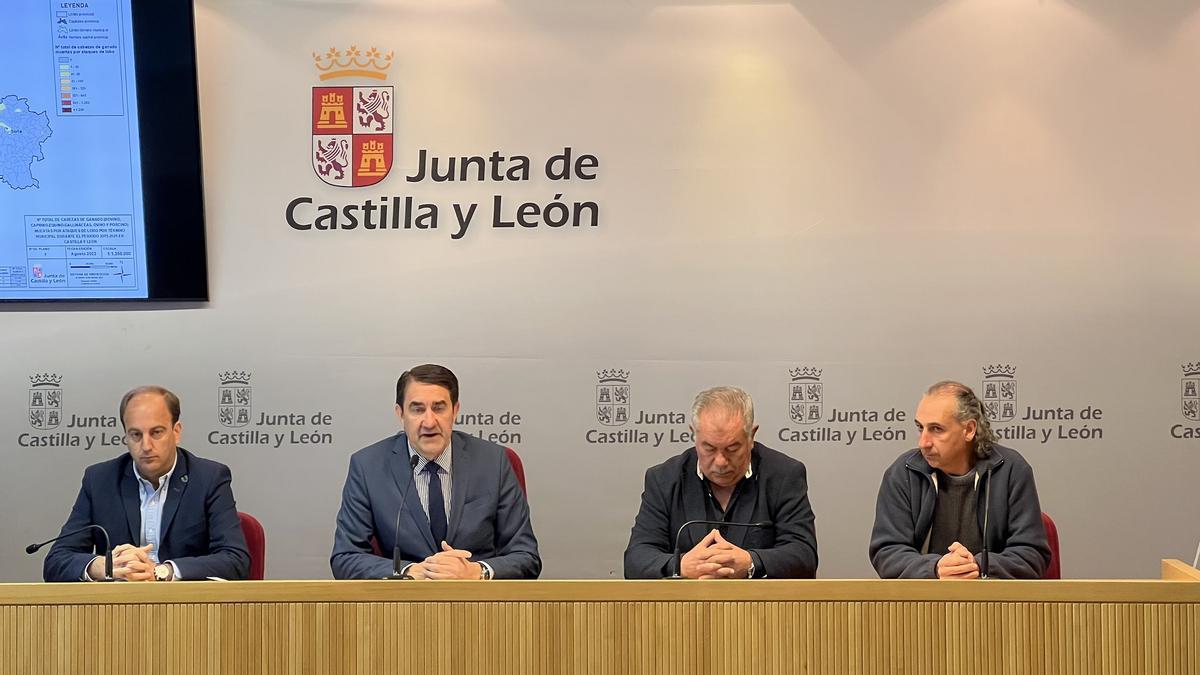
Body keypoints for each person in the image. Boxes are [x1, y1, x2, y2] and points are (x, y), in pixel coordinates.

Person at [331, 364, 540, 579]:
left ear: (455, 410)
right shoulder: (368, 466)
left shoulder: (494, 462)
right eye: (417, 409)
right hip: (401, 607)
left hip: (478, 606)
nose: (429, 422)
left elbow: (526, 557)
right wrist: (408, 571)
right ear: (400, 414)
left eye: (439, 408)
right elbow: (345, 557)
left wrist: (475, 571)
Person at [43, 386, 250, 582]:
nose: (146, 446)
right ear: (126, 436)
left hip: (188, 608)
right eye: (136, 435)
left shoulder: (209, 478)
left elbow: (235, 559)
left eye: (156, 432)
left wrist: (161, 572)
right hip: (118, 608)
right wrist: (106, 567)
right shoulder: (99, 480)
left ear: (176, 432)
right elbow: (56, 561)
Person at [624, 386, 818, 579]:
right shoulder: (665, 479)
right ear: (694, 434)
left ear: (752, 436)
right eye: (708, 448)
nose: (721, 462)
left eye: (732, 448)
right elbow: (636, 559)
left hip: (761, 606)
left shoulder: (784, 475)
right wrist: (681, 565)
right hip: (686, 607)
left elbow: (804, 555)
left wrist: (751, 562)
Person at [869, 380, 1051, 579]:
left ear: (969, 430)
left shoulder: (1011, 470)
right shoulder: (903, 472)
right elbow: (887, 552)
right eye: (921, 428)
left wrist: (976, 565)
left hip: (995, 603)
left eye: (936, 429)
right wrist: (936, 568)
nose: (923, 442)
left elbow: (1032, 554)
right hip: (922, 603)